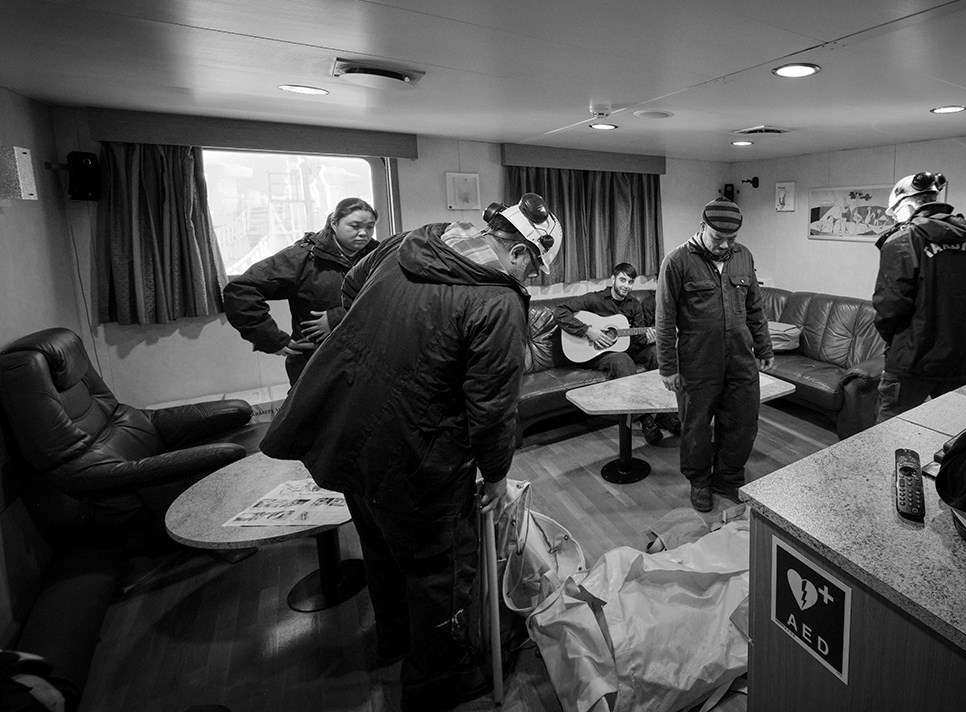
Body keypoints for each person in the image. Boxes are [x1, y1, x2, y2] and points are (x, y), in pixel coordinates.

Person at [258, 193, 562, 712]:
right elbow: (491, 406)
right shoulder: (498, 300)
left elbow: (352, 287)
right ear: (520, 255)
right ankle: (432, 682)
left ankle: (393, 640)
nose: (529, 280)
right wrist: (496, 480)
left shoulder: (415, 239)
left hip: (346, 430)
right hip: (414, 454)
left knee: (378, 548)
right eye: (534, 269)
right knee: (438, 573)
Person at [656, 197, 773, 513]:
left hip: (740, 359)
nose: (724, 245)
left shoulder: (743, 256)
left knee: (743, 421)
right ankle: (700, 482)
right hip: (697, 361)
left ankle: (729, 478)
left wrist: (763, 346)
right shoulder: (677, 261)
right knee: (695, 425)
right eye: (717, 237)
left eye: (730, 239)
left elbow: (754, 307)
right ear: (701, 227)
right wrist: (667, 367)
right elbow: (665, 318)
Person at [872, 171, 966, 422]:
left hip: (915, 360)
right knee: (962, 433)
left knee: (891, 431)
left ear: (906, 207)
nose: (895, 220)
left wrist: (898, 343)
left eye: (894, 214)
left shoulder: (903, 240)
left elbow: (890, 307)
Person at [222, 197, 379, 385]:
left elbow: (389, 298)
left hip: (368, 355)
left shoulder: (379, 255)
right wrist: (271, 338)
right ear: (334, 223)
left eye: (370, 227)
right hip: (315, 359)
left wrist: (338, 317)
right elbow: (241, 290)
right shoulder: (303, 257)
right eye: (355, 226)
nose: (363, 233)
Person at [552, 263, 679, 443]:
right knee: (621, 359)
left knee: (658, 353)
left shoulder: (634, 305)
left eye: (630, 282)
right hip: (597, 354)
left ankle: (665, 413)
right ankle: (645, 419)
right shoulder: (594, 299)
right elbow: (560, 311)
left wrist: (649, 337)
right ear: (613, 280)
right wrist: (587, 331)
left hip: (626, 348)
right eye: (622, 280)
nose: (626, 285)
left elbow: (637, 339)